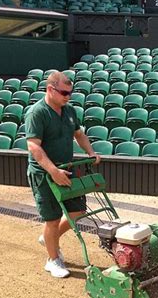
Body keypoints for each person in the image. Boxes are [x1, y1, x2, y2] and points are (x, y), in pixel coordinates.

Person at [25, 71, 101, 278]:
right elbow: (33, 146)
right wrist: (53, 171)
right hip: (44, 174)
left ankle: (50, 237)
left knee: (78, 211)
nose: (68, 96)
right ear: (50, 89)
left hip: (67, 168)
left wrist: (91, 152)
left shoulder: (69, 111)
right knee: (52, 218)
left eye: (70, 92)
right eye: (64, 93)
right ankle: (53, 260)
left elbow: (78, 134)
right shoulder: (37, 113)